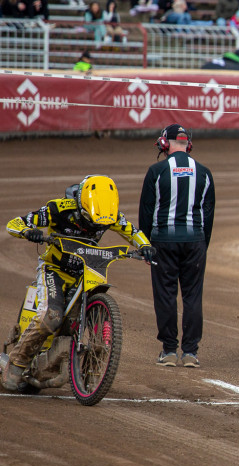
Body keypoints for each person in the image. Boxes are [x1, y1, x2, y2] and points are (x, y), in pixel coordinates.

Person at [2, 176, 154, 391]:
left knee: (81, 318)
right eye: (91, 221)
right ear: (82, 206)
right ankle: (17, 363)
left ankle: (90, 374)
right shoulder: (58, 209)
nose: (95, 226)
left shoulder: (110, 216)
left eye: (100, 224)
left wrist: (145, 246)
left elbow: (133, 232)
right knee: (51, 317)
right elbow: (14, 224)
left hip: (85, 272)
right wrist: (28, 231)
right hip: (54, 269)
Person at [138, 124, 215, 368]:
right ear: (188, 144)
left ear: (165, 143)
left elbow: (146, 212)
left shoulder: (156, 171)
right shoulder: (204, 173)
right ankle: (190, 353)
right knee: (193, 296)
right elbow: (208, 215)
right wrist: (203, 245)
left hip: (163, 242)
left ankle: (169, 351)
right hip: (195, 242)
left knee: (165, 295)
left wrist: (145, 245)